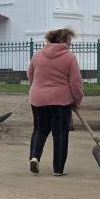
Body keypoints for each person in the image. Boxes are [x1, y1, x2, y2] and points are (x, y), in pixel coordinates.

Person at [26, 28, 84, 177]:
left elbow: (30, 75)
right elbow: (76, 83)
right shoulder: (69, 57)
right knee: (60, 133)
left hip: (38, 98)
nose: (70, 45)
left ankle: (34, 157)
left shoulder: (38, 55)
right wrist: (77, 100)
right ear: (62, 41)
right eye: (69, 42)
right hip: (61, 100)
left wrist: (38, 87)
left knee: (40, 129)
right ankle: (58, 169)